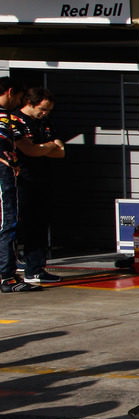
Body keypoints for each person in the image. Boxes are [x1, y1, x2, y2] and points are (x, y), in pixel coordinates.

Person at [0, 77, 47, 294]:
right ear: (10, 92)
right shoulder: (4, 118)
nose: (18, 103)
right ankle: (7, 277)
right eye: (18, 98)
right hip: (3, 177)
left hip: (8, 174)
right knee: (7, 225)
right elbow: (22, 148)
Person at [16, 87, 66, 284]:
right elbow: (29, 151)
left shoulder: (45, 123)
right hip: (22, 179)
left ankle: (36, 268)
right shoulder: (16, 121)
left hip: (42, 178)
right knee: (19, 224)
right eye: (42, 109)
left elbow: (60, 151)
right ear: (30, 103)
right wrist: (47, 147)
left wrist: (44, 148)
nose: (44, 114)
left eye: (48, 110)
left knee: (39, 224)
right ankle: (13, 267)